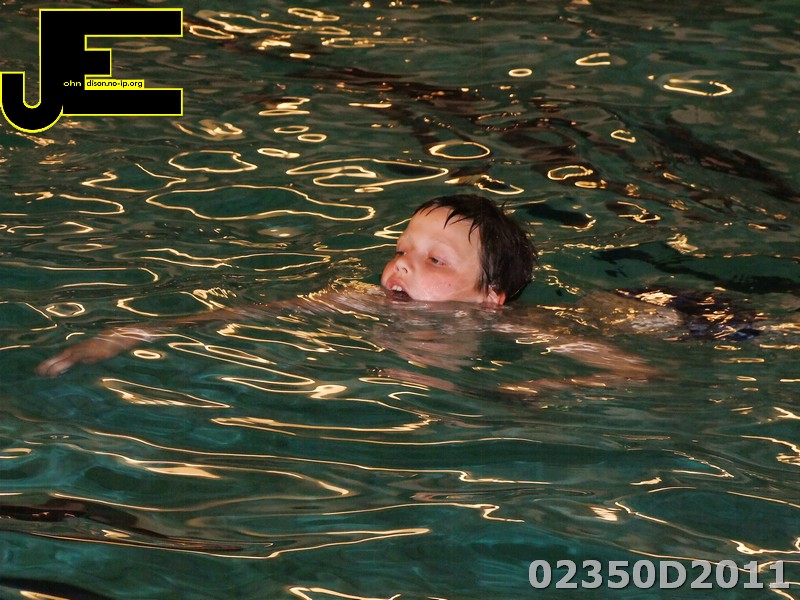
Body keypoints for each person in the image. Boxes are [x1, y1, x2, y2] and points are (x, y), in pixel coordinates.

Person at [35, 194, 658, 389]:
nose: (402, 268)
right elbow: (245, 314)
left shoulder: (517, 327)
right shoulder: (360, 301)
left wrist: (544, 385)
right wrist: (132, 333)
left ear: (489, 294)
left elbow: (634, 371)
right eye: (401, 251)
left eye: (434, 260)